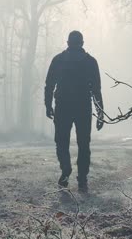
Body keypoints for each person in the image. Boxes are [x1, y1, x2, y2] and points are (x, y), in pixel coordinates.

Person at [44, 31, 104, 192]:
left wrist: (48, 105)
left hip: (63, 107)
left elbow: (49, 85)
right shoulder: (91, 62)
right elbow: (96, 90)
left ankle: (65, 171)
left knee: (61, 142)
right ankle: (82, 178)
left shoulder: (58, 60)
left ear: (67, 42)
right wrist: (100, 113)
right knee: (84, 144)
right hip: (83, 107)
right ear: (82, 43)